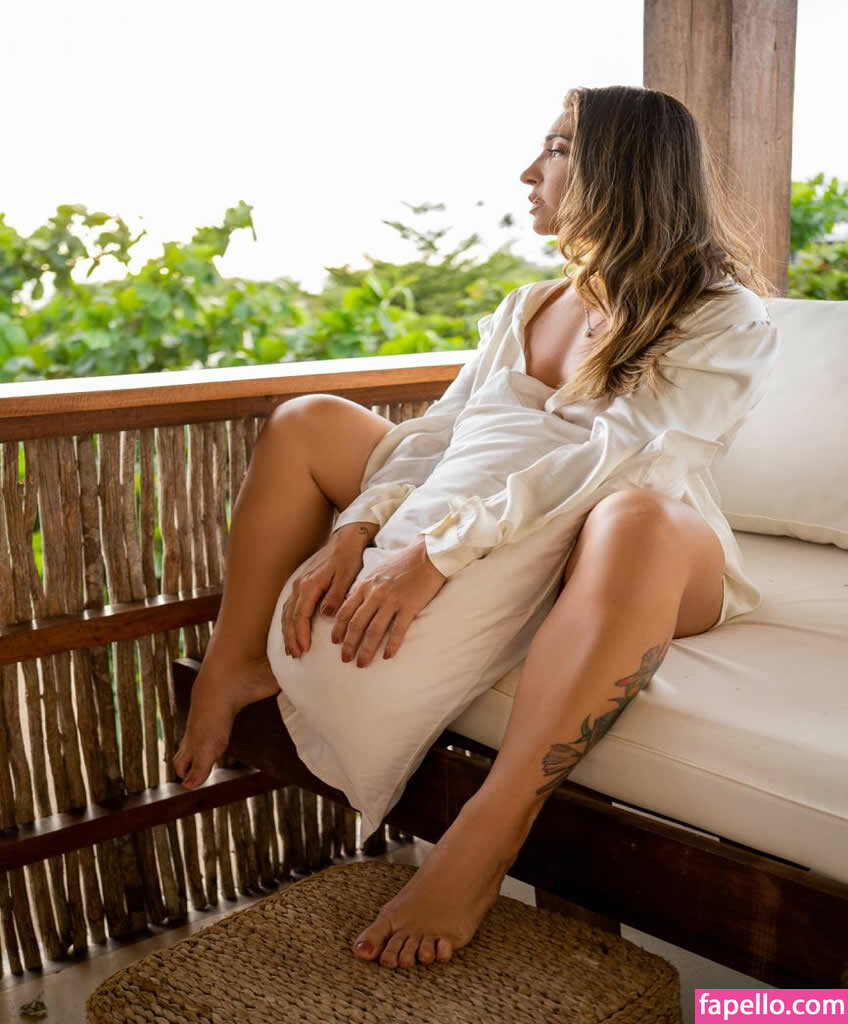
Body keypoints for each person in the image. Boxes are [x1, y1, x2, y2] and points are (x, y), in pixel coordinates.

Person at [174, 84, 779, 970]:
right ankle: (235, 660)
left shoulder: (724, 315)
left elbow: (624, 459)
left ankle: (487, 835)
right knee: (306, 420)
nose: (530, 171)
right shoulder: (528, 306)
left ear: (622, 170)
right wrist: (359, 527)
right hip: (503, 522)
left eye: (558, 150)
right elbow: (445, 437)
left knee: (637, 516)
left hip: (649, 556)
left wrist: (438, 552)